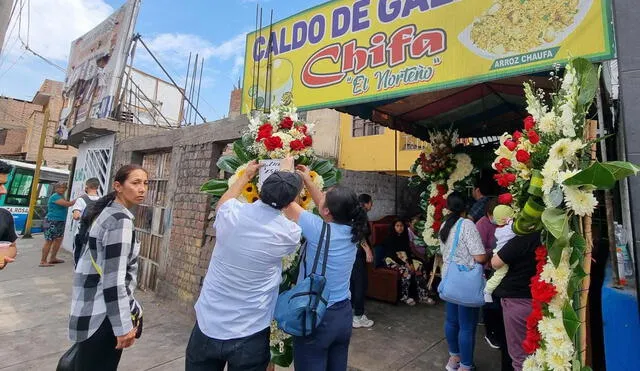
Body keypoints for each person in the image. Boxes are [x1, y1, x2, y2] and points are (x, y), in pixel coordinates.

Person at [185, 159, 302, 371]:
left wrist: (246, 176)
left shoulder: (231, 215)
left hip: (208, 325)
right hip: (250, 332)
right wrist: (287, 179)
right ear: (291, 201)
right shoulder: (288, 233)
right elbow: (294, 215)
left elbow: (223, 202)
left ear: (260, 188)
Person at [283, 165, 368, 371]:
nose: (321, 198)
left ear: (327, 211)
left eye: (325, 198)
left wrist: (287, 171)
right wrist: (309, 180)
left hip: (318, 314)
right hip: (342, 315)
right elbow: (325, 205)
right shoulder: (352, 230)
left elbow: (287, 203)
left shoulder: (318, 230)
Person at [68, 164, 148, 370]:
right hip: (103, 316)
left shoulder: (106, 212)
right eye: (135, 183)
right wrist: (122, 326)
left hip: (90, 308)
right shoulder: (119, 221)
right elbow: (114, 280)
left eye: (145, 183)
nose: (142, 189)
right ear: (118, 186)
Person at [439, 192, 487, 371]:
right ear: (466, 207)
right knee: (467, 326)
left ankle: (454, 359)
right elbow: (480, 256)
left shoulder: (445, 225)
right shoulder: (467, 225)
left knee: (451, 321)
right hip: (465, 282)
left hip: (450, 279)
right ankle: (466, 366)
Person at [492, 231, 541, 371]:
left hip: (517, 301)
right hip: (543, 300)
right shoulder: (553, 238)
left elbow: (495, 262)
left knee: (520, 357)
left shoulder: (525, 238)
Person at [382, 219, 429, 305]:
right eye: (397, 226)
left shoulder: (404, 237)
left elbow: (408, 252)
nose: (400, 228)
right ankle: (404, 296)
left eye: (401, 226)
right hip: (392, 260)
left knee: (420, 266)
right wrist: (406, 264)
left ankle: (422, 295)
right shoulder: (389, 238)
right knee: (406, 271)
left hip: (405, 258)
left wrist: (410, 263)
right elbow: (392, 254)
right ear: (394, 227)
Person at [351, 193, 374, 328]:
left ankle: (353, 312)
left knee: (353, 283)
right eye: (371, 203)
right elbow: (360, 234)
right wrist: (367, 250)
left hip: (350, 253)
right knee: (360, 283)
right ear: (367, 203)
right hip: (358, 254)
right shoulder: (361, 215)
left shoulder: (351, 213)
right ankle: (358, 316)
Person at [484, 205, 516, 302]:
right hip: (500, 256)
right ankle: (488, 290)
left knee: (499, 274)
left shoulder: (499, 230)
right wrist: (510, 221)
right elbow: (514, 230)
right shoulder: (506, 230)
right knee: (500, 274)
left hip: (498, 254)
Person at [40, 182, 75, 267]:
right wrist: (80, 199)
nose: (62, 189)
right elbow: (68, 204)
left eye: (64, 188)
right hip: (52, 221)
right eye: (60, 188)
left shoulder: (61, 196)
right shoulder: (55, 197)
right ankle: (43, 261)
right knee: (49, 241)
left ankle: (53, 258)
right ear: (56, 189)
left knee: (58, 240)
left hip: (59, 221)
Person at [72, 178, 101, 266]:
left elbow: (76, 216)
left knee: (78, 255)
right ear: (98, 187)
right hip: (96, 234)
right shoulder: (102, 201)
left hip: (81, 233)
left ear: (86, 187)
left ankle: (78, 273)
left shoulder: (81, 200)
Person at [0, 160, 17, 270]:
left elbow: (12, 246)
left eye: (3, 184)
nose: (4, 191)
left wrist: (4, 256)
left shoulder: (5, 216)